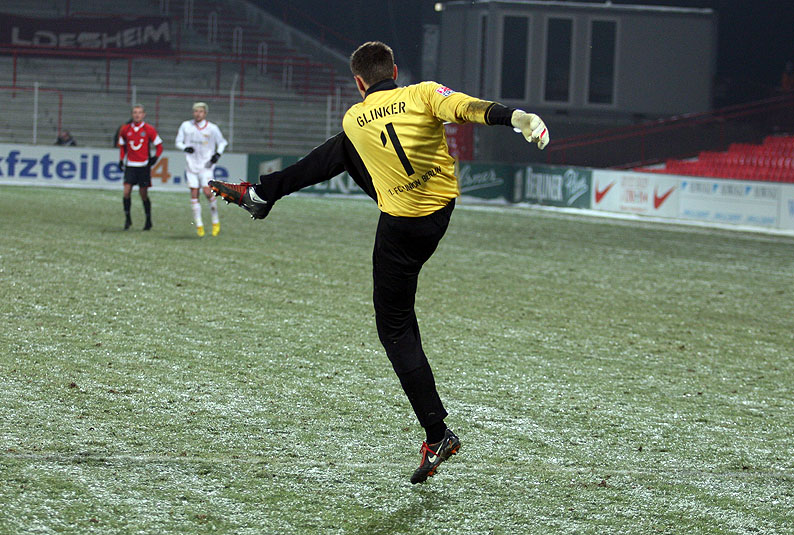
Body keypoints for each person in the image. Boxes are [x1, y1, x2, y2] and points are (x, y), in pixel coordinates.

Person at [210, 41, 548, 484]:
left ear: (359, 82)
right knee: (345, 152)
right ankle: (261, 194)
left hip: (401, 227)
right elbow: (469, 109)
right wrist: (517, 117)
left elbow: (335, 157)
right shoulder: (423, 93)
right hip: (438, 212)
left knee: (394, 327)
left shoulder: (354, 117)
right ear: (395, 70)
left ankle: (437, 433)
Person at [175, 102, 228, 237]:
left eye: (200, 111)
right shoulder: (186, 126)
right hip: (191, 166)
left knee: (207, 192)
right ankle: (199, 225)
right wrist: (185, 148)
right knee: (194, 193)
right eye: (196, 111)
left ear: (205, 113)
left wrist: (218, 154)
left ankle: (215, 222)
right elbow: (178, 142)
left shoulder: (212, 128)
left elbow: (222, 142)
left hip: (206, 166)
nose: (198, 114)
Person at [118, 104, 163, 231]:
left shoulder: (149, 129)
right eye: (135, 112)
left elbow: (159, 146)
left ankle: (148, 220)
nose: (137, 115)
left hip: (143, 166)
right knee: (126, 192)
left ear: (143, 115)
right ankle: (128, 219)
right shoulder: (125, 129)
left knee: (143, 194)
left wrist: (155, 158)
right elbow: (122, 146)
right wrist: (121, 159)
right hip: (130, 166)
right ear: (132, 114)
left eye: (139, 112)